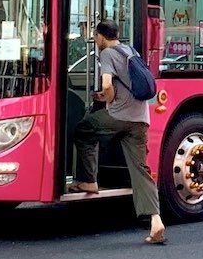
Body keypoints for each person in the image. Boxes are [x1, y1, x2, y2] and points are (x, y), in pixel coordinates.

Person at [72, 20, 167, 245]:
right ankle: (156, 220)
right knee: (141, 169)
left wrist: (109, 98)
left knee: (84, 129)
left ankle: (89, 181)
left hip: (118, 117)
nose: (95, 40)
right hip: (140, 119)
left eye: (95, 37)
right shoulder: (130, 50)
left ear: (101, 36)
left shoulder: (107, 54)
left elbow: (106, 85)